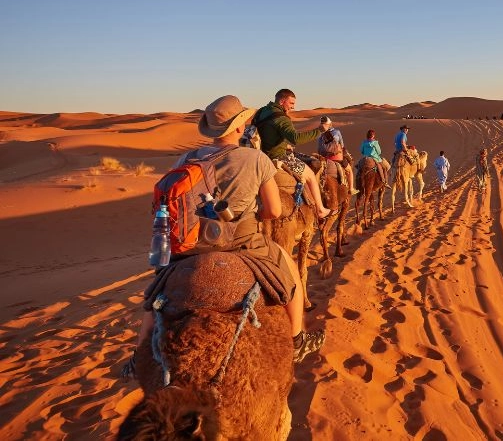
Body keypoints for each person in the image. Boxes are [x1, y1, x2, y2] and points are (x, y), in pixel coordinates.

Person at [126, 95, 325, 375]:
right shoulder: (255, 159)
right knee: (289, 273)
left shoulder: (187, 158)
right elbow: (274, 211)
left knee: (157, 293)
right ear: (239, 128)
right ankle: (297, 340)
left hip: (190, 244)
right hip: (241, 242)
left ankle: (139, 357)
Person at [254, 88, 333, 219]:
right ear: (282, 101)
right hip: (279, 156)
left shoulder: (262, 112)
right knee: (310, 176)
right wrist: (320, 130)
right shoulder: (282, 118)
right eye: (291, 103)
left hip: (262, 155)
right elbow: (295, 138)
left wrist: (284, 144)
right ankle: (320, 209)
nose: (293, 107)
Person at [318, 115, 358, 195]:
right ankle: (351, 189)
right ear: (330, 124)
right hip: (337, 159)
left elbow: (319, 150)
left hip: (325, 160)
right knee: (349, 170)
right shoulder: (337, 132)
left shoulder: (320, 136)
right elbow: (342, 145)